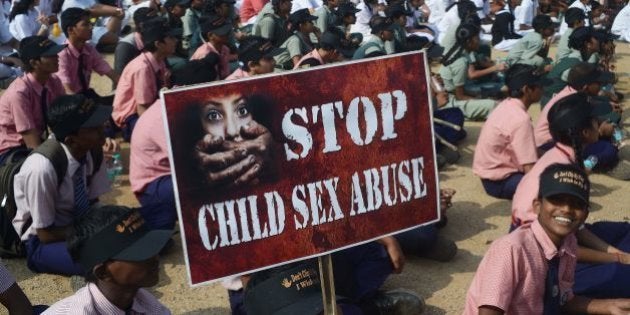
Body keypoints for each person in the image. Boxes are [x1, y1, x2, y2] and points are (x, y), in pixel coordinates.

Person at [465, 163, 630, 314]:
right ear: (537, 206)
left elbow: (564, 300)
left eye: (576, 204)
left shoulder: (568, 243)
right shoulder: (511, 249)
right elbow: (488, 311)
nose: (566, 209)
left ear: (585, 215)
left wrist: (610, 305)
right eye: (557, 200)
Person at [12, 94, 111, 276]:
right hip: (42, 242)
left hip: (78, 225)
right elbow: (45, 234)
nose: (103, 131)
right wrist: (92, 231)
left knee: (133, 233)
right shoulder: (42, 168)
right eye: (94, 128)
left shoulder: (92, 150)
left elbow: (93, 201)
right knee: (103, 263)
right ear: (71, 140)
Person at [130, 56, 219, 231]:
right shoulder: (164, 116)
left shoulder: (182, 108)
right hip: (155, 185)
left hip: (171, 175)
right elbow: (190, 160)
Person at [42, 205, 172, 314]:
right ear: (103, 272)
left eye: (151, 246)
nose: (155, 257)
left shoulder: (145, 303)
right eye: (139, 253)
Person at [472, 64, 544, 199]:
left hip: (491, 176)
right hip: (501, 182)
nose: (542, 89)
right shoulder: (520, 119)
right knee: (555, 184)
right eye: (539, 86)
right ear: (527, 90)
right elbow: (530, 169)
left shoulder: (507, 104)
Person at [112, 18, 179, 141]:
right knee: (170, 135)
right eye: (171, 38)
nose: (175, 41)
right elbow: (142, 109)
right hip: (131, 118)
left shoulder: (159, 60)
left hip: (149, 108)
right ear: (158, 44)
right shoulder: (142, 68)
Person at [0, 36, 65, 162]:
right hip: (12, 150)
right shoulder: (19, 93)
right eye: (50, 55)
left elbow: (66, 116)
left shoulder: (53, 81)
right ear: (34, 63)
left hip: (36, 141)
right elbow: (32, 144)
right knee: (44, 166)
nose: (57, 57)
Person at [437, 22, 498, 120]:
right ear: (469, 41)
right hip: (450, 103)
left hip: (453, 94)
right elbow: (460, 96)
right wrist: (478, 100)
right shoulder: (461, 62)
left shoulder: (461, 51)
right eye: (477, 38)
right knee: (494, 105)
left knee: (489, 95)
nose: (479, 41)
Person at [58, 8, 119, 97]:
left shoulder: (89, 49)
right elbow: (67, 90)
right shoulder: (63, 55)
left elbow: (110, 73)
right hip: (69, 102)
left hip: (85, 94)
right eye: (85, 25)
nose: (91, 27)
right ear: (71, 30)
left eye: (90, 23)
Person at [113, 7, 157, 77]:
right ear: (141, 25)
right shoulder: (125, 46)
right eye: (154, 21)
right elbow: (120, 76)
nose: (158, 23)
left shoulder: (154, 38)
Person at [190, 14, 232, 79]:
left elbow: (226, 74)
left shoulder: (225, 49)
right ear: (210, 35)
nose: (227, 34)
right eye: (223, 33)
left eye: (227, 31)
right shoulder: (204, 53)